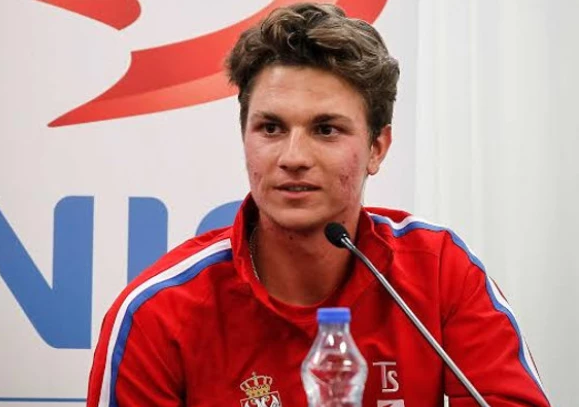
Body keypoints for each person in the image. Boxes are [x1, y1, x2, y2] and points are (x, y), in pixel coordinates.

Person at [86, 3, 551, 406]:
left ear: (377, 148)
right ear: (244, 138)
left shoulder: (440, 273)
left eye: (326, 129)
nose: (293, 158)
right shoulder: (158, 312)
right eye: (271, 128)